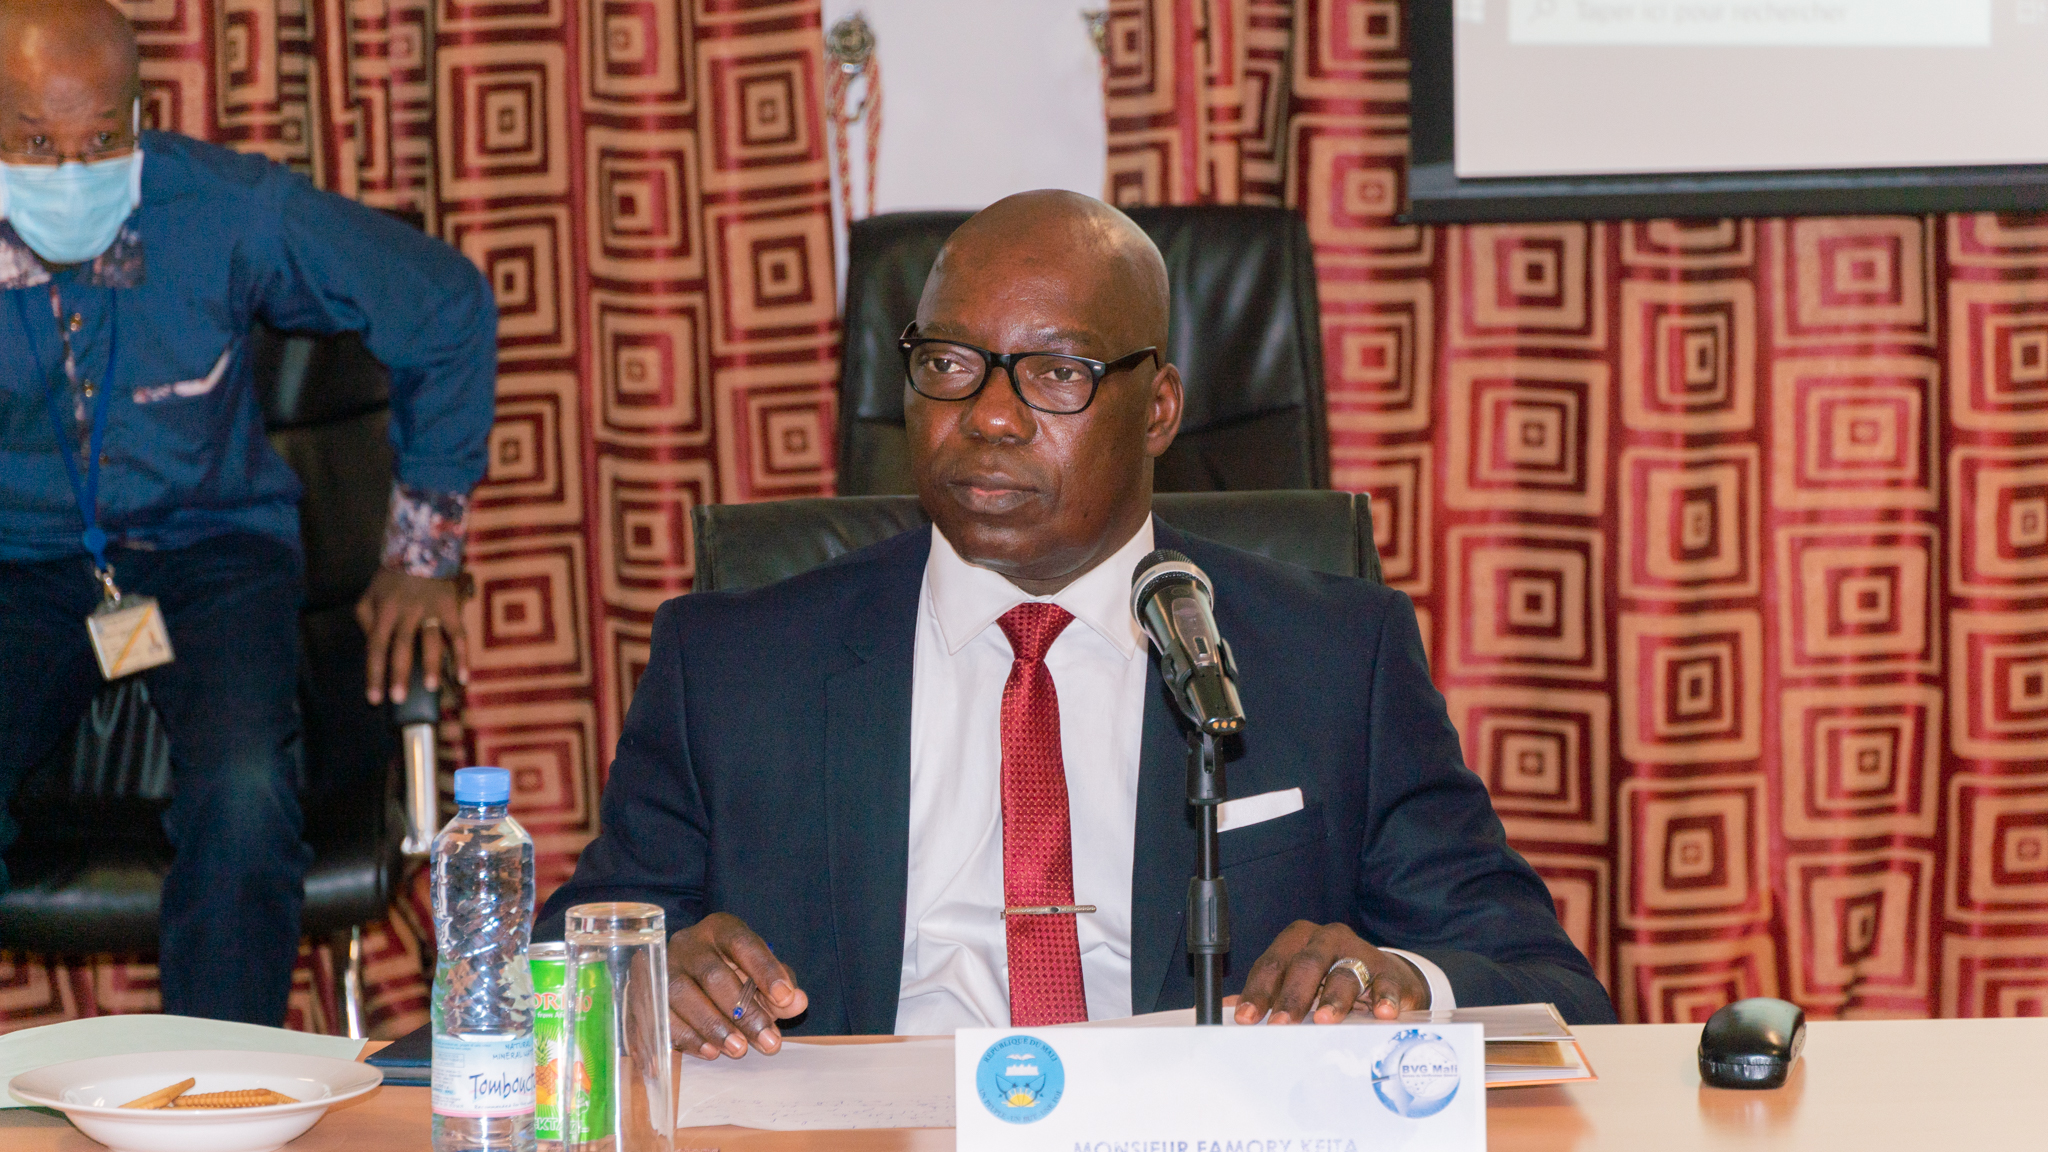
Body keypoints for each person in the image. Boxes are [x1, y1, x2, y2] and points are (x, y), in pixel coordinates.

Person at [536, 189, 1615, 1058]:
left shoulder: (1334, 657)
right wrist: (641, 977)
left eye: (1056, 373)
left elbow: (1552, 991)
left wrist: (1398, 981)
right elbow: (559, 965)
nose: (989, 416)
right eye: (948, 364)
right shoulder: (733, 666)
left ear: (1158, 411)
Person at [0, 0, 496, 1024]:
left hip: (212, 548)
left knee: (246, 791)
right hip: (17, 558)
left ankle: (222, 1078)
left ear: (141, 116)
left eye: (102, 139)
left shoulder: (227, 209)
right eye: (35, 143)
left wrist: (423, 554)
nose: (71, 171)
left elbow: (444, 304)